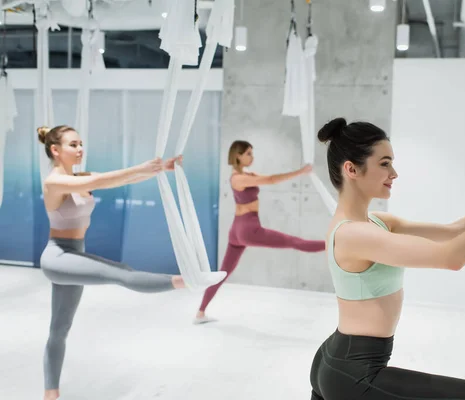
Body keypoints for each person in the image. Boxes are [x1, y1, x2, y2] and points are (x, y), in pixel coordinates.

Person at [309, 118, 465, 400]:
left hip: (338, 359)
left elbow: (453, 231)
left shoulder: (376, 223)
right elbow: (453, 257)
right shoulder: (354, 234)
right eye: (384, 163)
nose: (394, 173)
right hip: (354, 373)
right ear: (351, 169)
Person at [37, 125, 225, 400]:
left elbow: (115, 181)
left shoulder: (80, 177)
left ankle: (50, 394)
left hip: (75, 252)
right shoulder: (54, 182)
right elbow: (100, 182)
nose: (80, 149)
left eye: (81, 144)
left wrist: (161, 169)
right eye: (73, 145)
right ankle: (187, 280)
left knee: (59, 328)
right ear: (55, 150)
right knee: (121, 273)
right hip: (58, 257)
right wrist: (144, 165)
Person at [194, 140, 326, 324]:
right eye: (248, 153)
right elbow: (271, 179)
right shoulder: (238, 178)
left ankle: (200, 313)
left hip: (237, 230)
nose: (252, 157)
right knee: (295, 242)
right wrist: (301, 171)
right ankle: (334, 244)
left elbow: (264, 177)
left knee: (223, 273)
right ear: (238, 155)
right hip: (248, 229)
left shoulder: (243, 175)